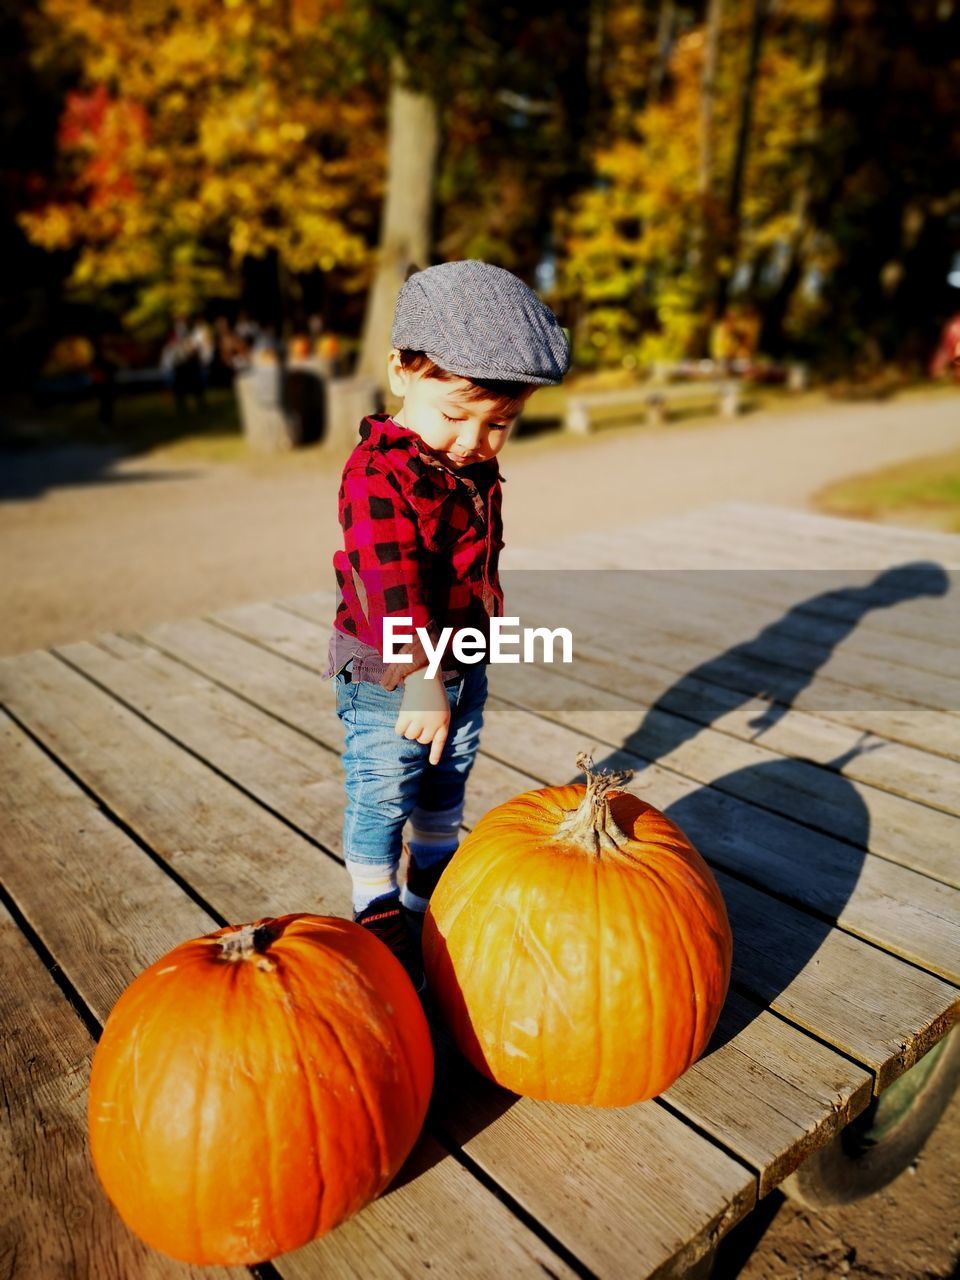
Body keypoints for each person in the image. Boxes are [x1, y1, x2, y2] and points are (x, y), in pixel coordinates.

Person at [323, 260, 571, 988]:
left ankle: (433, 881)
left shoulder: (467, 461)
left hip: (461, 657)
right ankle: (377, 906)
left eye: (500, 425)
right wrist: (423, 677)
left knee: (447, 776)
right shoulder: (377, 474)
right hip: (389, 670)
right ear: (401, 371)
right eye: (456, 417)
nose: (474, 441)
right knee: (383, 785)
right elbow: (391, 580)